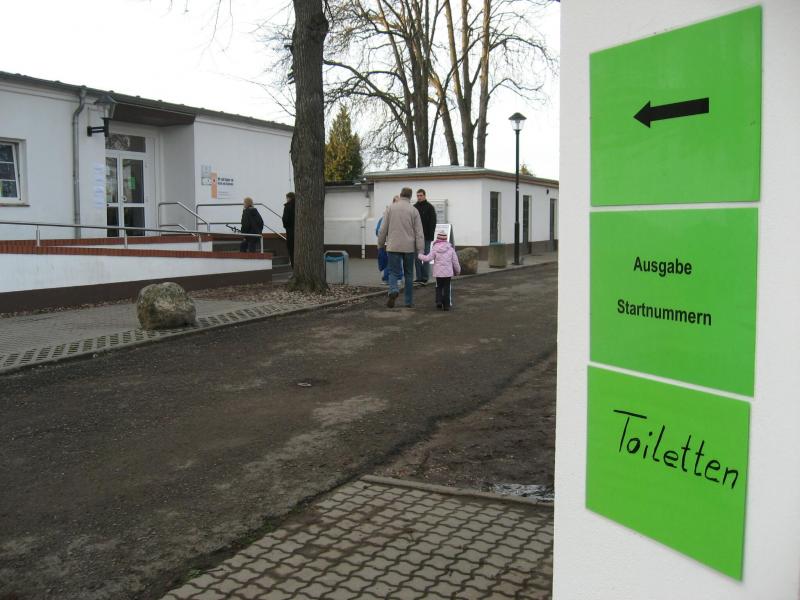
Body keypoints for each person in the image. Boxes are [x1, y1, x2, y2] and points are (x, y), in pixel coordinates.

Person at [377, 187, 424, 308]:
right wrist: (420, 250)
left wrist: (380, 245)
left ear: (401, 194)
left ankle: (393, 290)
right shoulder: (414, 211)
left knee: (393, 272)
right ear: (410, 197)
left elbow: (382, 229)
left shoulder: (390, 208)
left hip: (393, 246)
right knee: (409, 274)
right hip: (409, 247)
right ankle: (408, 302)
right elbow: (419, 232)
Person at [418, 230, 461, 311]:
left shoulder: (435, 248)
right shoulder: (451, 249)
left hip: (438, 273)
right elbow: (455, 262)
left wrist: (419, 255)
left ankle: (439, 301)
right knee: (447, 288)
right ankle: (446, 305)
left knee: (439, 286)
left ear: (438, 239)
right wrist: (458, 270)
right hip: (448, 273)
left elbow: (428, 258)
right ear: (446, 239)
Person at [413, 188, 437, 285]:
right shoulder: (414, 207)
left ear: (424, 196)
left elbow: (433, 222)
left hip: (427, 237)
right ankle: (418, 277)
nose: (419, 197)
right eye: (418, 196)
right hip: (416, 237)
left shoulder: (430, 207)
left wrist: (431, 235)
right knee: (417, 257)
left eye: (421, 195)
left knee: (426, 257)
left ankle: (425, 277)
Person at [375, 212, 403, 285]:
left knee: (395, 260)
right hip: (385, 244)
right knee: (385, 261)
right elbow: (378, 231)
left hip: (392, 244)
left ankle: (397, 278)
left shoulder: (396, 220)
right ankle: (387, 278)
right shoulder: (382, 219)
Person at [282, 192, 296, 268]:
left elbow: (285, 220)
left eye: (287, 198)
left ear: (289, 198)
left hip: (290, 231)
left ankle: (294, 268)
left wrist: (286, 226)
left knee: (291, 249)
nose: (286, 199)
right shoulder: (299, 205)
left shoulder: (288, 207)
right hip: (298, 231)